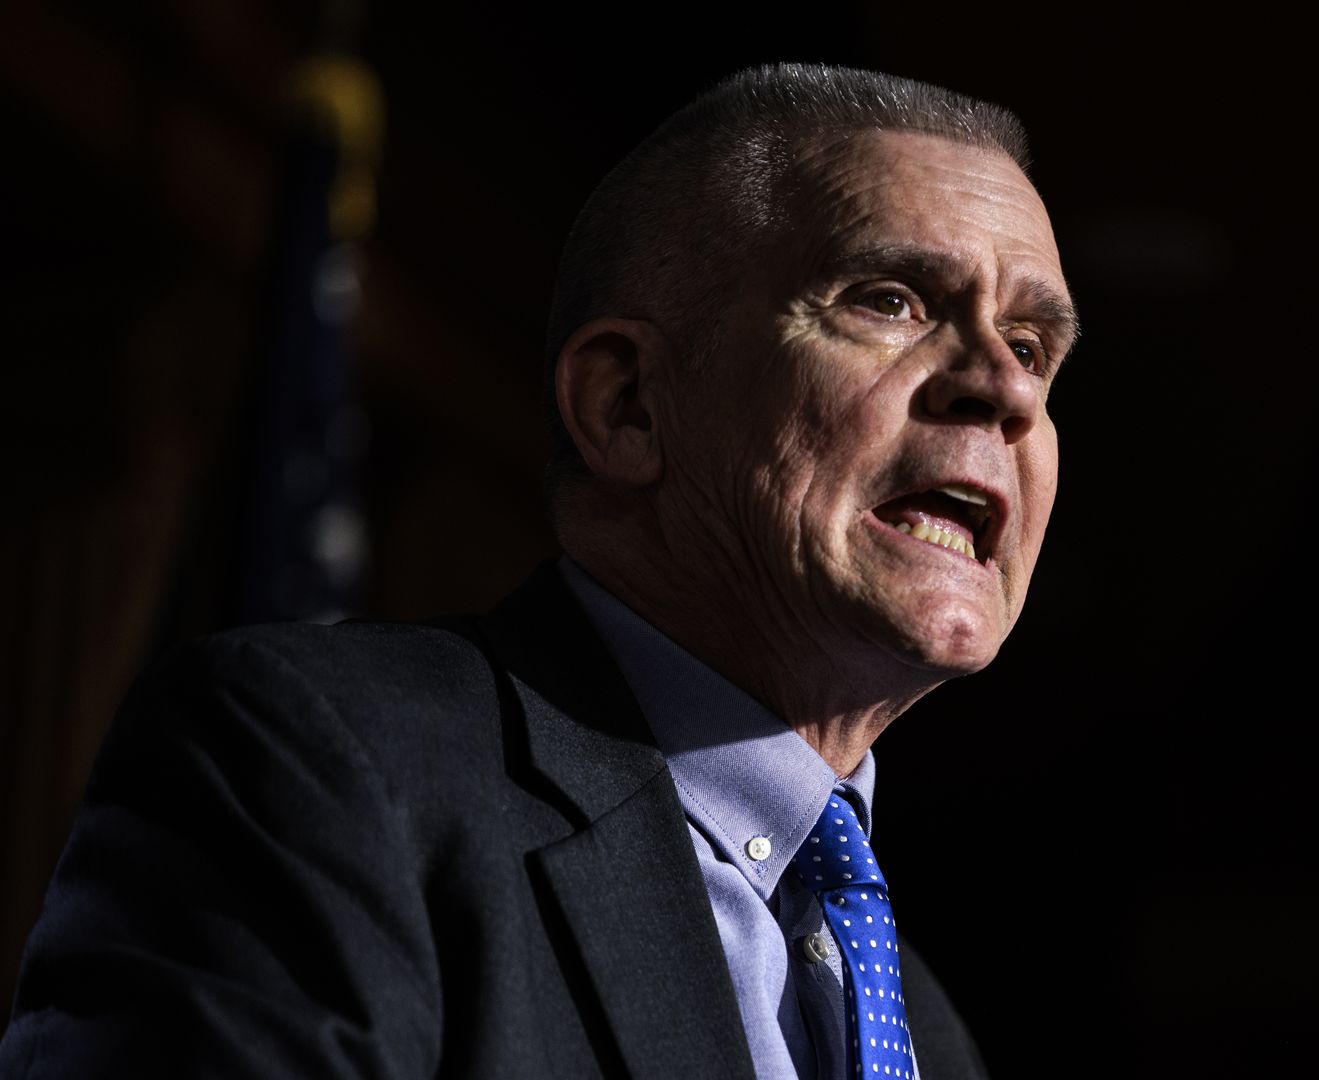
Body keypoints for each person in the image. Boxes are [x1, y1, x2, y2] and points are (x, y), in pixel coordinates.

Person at [0, 63, 1075, 1080]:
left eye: (1032, 347)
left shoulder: (924, 1027)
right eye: (889, 300)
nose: (1004, 389)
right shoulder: (325, 775)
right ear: (627, 406)